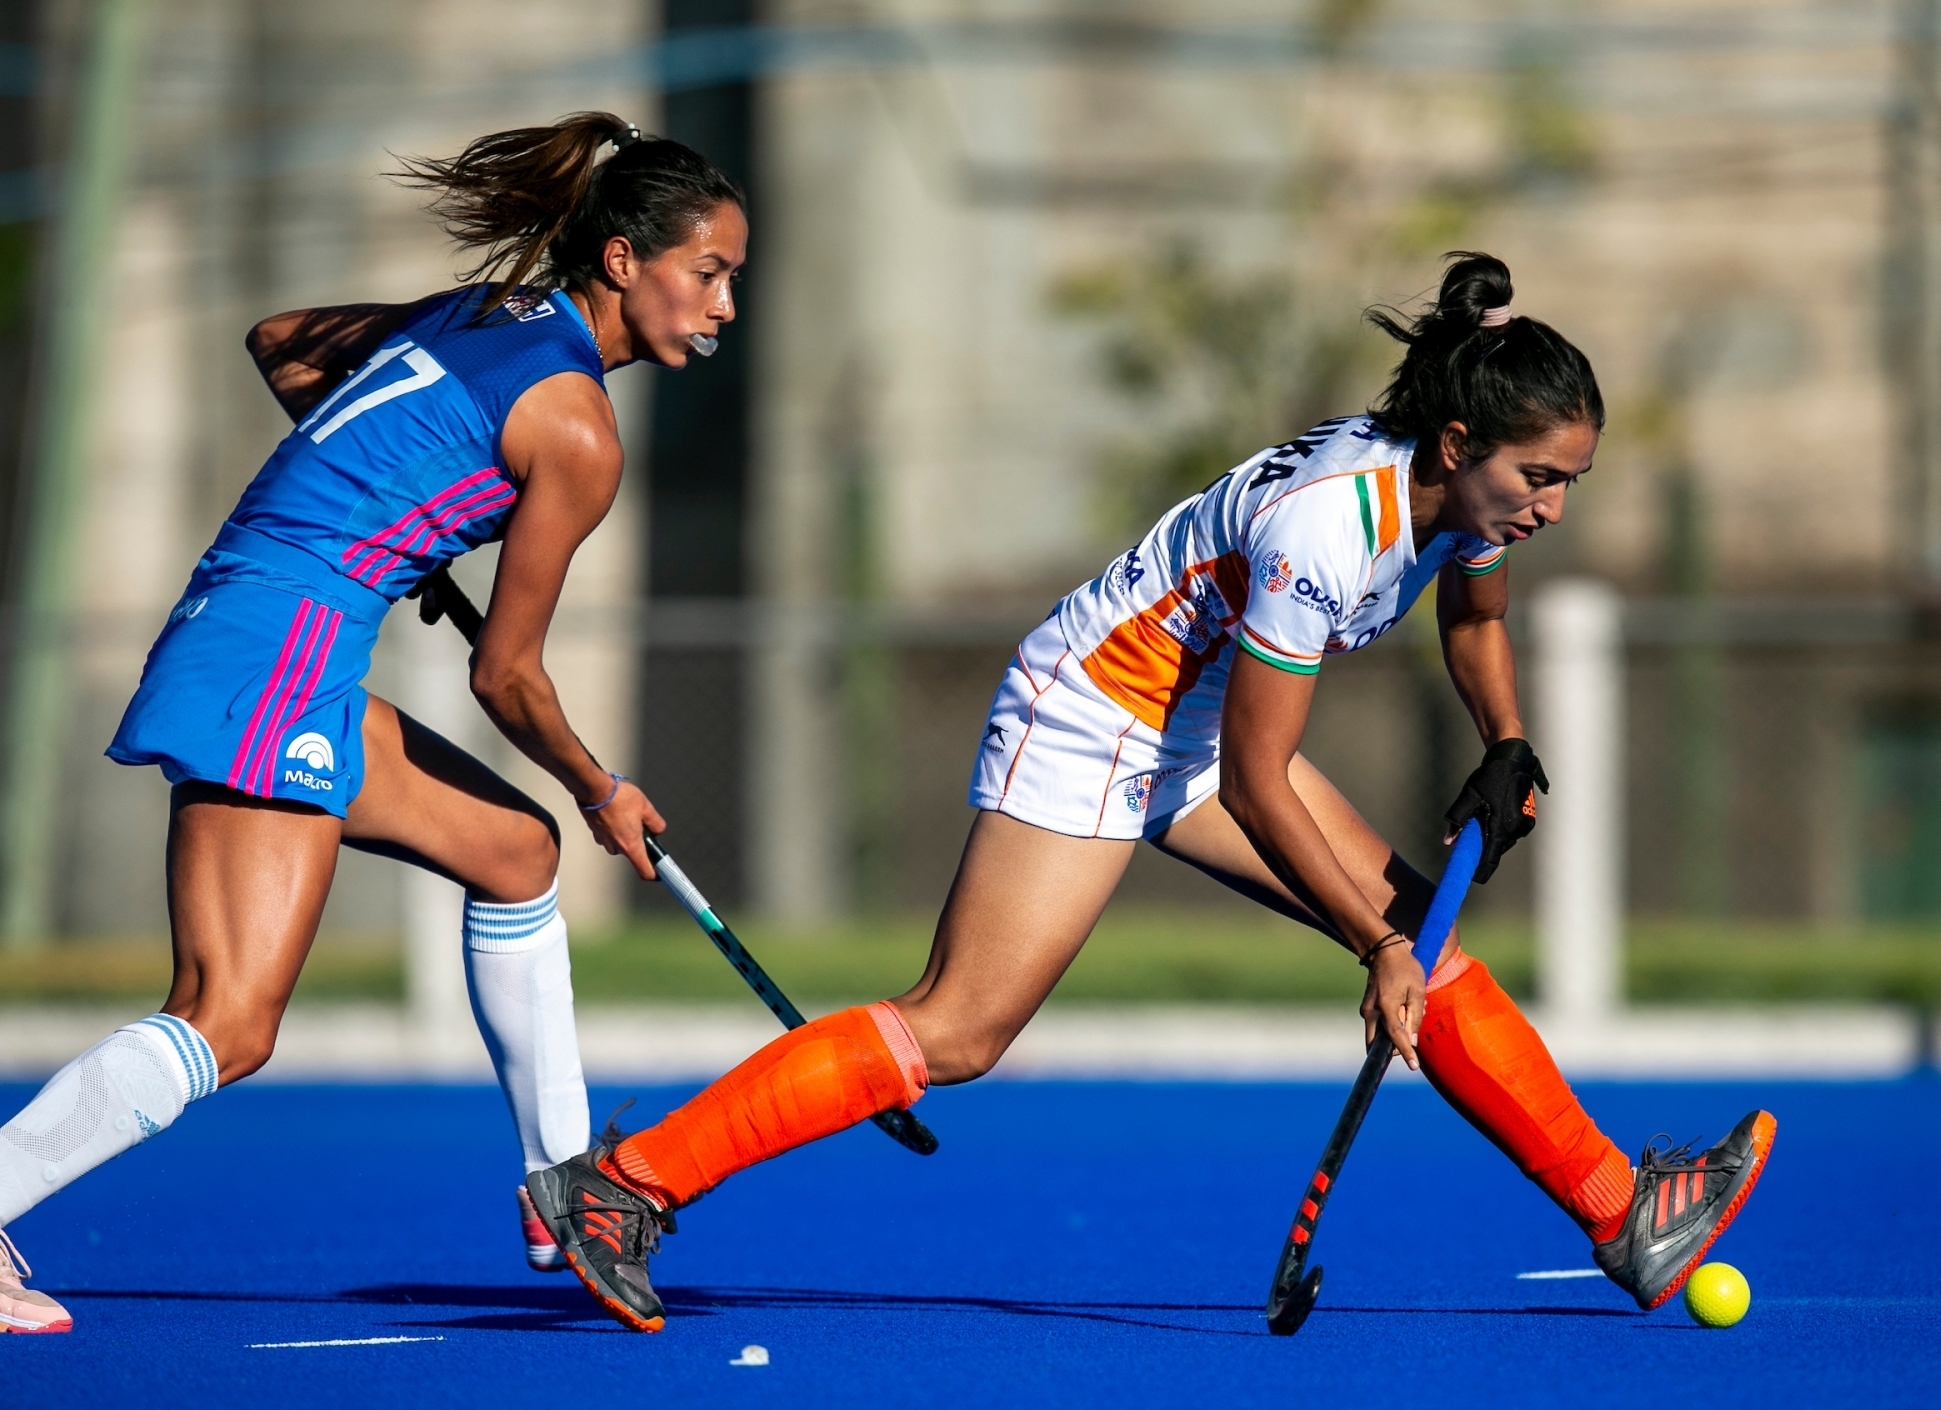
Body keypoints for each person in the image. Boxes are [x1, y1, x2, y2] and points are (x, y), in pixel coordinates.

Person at [525, 252, 1776, 1334]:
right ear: (1459, 448)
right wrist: (1376, 943)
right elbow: (1255, 774)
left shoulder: (1472, 492)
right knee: (957, 1028)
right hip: (1092, 714)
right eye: (1540, 480)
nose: (1550, 508)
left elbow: (1473, 602)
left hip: (1185, 713)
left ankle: (1623, 1214)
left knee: (1424, 945)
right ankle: (624, 1186)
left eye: (1569, 483)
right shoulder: (1323, 532)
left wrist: (1502, 737)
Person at [0, 112, 745, 1333]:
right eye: (707, 274)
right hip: (279, 650)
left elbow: (283, 345)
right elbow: (508, 678)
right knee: (228, 1020)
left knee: (513, 852)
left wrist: (399, 515)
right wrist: (601, 783)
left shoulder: (484, 315)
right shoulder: (576, 429)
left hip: (287, 638)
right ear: (623, 262)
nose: (720, 306)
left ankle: (567, 1186)